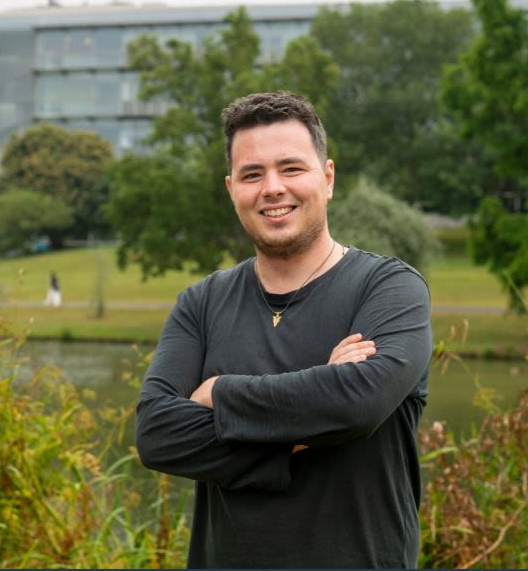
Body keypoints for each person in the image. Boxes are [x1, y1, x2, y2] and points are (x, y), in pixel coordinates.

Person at [134, 91, 429, 568]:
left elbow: (357, 403)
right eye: (253, 174)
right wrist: (301, 434)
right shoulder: (201, 303)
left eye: (291, 168)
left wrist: (218, 394)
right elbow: (156, 433)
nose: (272, 188)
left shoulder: (389, 289)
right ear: (232, 189)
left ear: (327, 178)